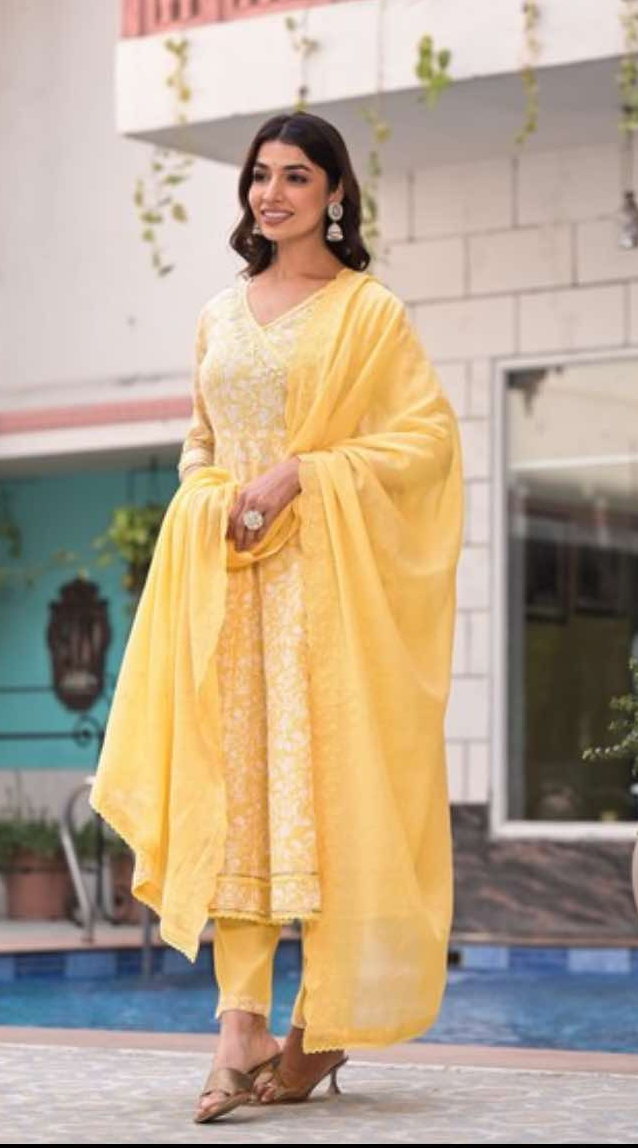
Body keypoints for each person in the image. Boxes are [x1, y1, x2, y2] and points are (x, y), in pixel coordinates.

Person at [89, 111, 464, 1124]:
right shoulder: (219, 314)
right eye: (261, 175)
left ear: (335, 193)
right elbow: (199, 445)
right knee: (237, 802)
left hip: (325, 605)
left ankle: (320, 1024)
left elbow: (425, 443)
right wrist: (213, 499)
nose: (273, 193)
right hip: (229, 593)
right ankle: (239, 1028)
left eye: (297, 176)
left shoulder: (369, 315)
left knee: (325, 804)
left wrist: (304, 474)